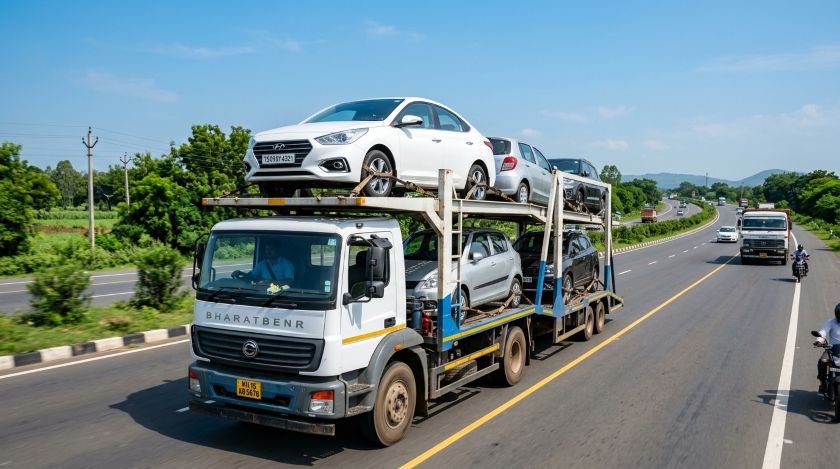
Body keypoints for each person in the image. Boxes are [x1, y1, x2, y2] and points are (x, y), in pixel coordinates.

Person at [814, 303, 840, 394]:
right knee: (823, 361)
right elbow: (823, 331)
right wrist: (819, 341)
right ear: (836, 314)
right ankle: (823, 382)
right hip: (832, 350)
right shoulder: (831, 322)